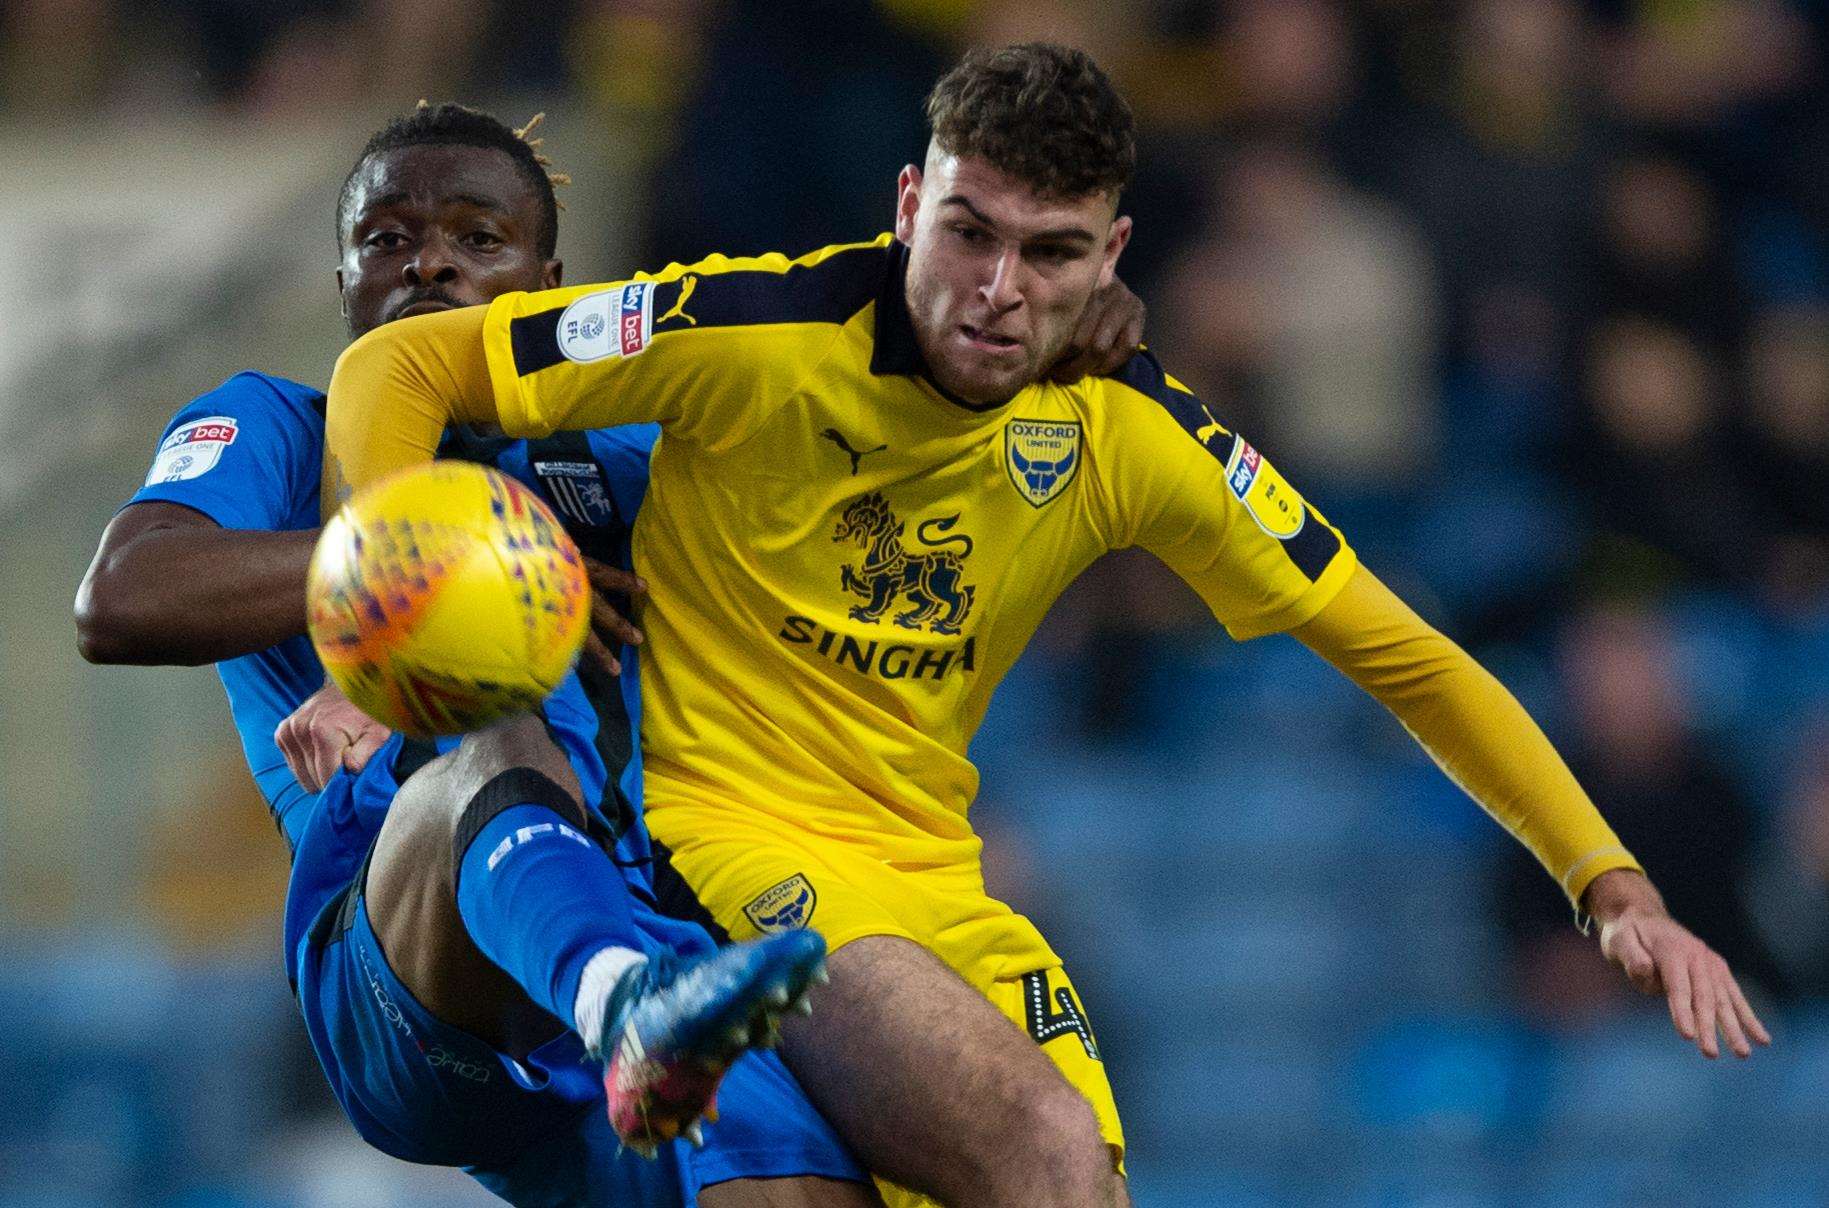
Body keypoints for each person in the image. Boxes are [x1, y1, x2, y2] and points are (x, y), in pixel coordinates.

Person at [317, 44, 1769, 1208]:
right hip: (731, 852)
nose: (999, 292)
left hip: (943, 882)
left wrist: (1606, 882)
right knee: (1045, 1160)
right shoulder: (749, 333)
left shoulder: (1130, 431)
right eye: (969, 233)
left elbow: (1405, 652)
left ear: (1110, 255)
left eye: (1051, 253)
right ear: (906, 206)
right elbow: (399, 365)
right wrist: (390, 600)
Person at [77, 102, 872, 1207]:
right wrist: (444, 559)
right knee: (485, 705)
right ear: (344, 280)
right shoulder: (272, 431)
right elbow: (118, 600)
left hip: (665, 938)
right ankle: (615, 995)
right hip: (401, 963)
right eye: (387, 239)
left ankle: (633, 999)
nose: (428, 265)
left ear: (548, 287)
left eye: (475, 241)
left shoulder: (627, 460)